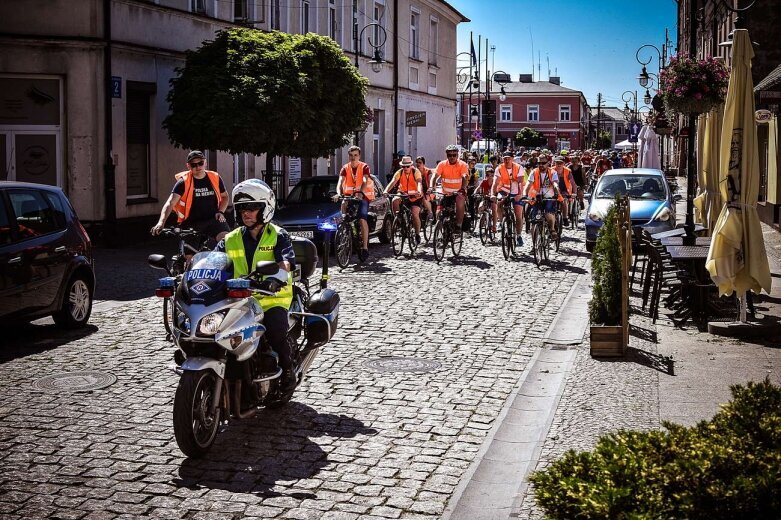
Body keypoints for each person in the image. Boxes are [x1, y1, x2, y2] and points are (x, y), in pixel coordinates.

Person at [216, 179, 297, 393]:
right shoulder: (230, 238)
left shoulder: (278, 235)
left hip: (271, 298)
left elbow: (286, 262)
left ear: (265, 209)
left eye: (252, 208)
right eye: (242, 208)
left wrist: (276, 277)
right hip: (238, 300)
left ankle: (288, 371)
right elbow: (214, 260)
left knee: (276, 330)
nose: (246, 213)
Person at [150, 150, 230, 254]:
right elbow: (170, 203)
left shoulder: (215, 177)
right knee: (189, 259)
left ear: (205, 162)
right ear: (188, 166)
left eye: (200, 163)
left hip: (213, 220)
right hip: (191, 224)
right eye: (194, 165)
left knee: (228, 243)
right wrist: (161, 222)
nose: (198, 167)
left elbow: (225, 197)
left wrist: (221, 212)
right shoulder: (183, 182)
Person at [334, 145, 374, 262]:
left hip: (363, 196)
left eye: (355, 155)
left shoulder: (364, 167)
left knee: (362, 219)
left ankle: (365, 247)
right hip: (349, 195)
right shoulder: (345, 168)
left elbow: (365, 180)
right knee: (343, 204)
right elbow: (340, 182)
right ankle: (344, 227)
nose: (353, 157)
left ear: (359, 156)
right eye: (351, 155)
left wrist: (361, 192)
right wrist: (338, 193)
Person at [384, 155, 424, 243]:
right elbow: (393, 181)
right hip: (403, 194)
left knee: (414, 213)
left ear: (411, 165)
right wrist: (386, 191)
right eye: (403, 166)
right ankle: (399, 221)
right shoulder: (399, 172)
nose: (405, 168)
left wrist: (419, 191)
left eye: (407, 166)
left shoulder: (415, 172)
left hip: (415, 196)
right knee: (394, 200)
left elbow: (419, 183)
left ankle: (417, 234)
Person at [490, 150, 526, 246]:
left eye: (508, 159)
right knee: (499, 201)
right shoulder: (499, 168)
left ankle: (518, 236)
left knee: (518, 214)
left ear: (512, 159)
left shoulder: (519, 168)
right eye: (505, 159)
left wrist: (520, 194)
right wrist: (492, 194)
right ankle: (501, 222)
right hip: (503, 190)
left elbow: (520, 183)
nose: (506, 161)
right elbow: (495, 182)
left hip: (516, 192)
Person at [430, 144, 469, 229]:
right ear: (446, 155)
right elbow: (434, 176)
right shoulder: (442, 164)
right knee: (438, 211)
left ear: (457, 155)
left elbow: (464, 177)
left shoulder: (462, 165)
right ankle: (440, 230)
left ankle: (459, 224)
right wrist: (431, 187)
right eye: (449, 155)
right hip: (445, 193)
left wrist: (463, 188)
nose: (452, 157)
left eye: (454, 155)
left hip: (458, 192)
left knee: (459, 202)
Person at [524, 154, 561, 240]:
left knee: (548, 212)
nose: (541, 165)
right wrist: (525, 194)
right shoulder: (534, 172)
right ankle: (534, 246)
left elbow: (555, 183)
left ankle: (552, 229)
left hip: (549, 197)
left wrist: (556, 190)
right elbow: (528, 184)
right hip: (537, 197)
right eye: (539, 163)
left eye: (543, 163)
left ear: (548, 163)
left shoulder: (552, 172)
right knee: (534, 220)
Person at [553, 156, 577, 226]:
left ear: (564, 163)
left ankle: (565, 218)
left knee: (564, 201)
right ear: (555, 163)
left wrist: (574, 193)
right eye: (557, 163)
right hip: (553, 190)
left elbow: (573, 183)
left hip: (564, 189)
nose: (559, 164)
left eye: (561, 163)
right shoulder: (551, 170)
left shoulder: (567, 171)